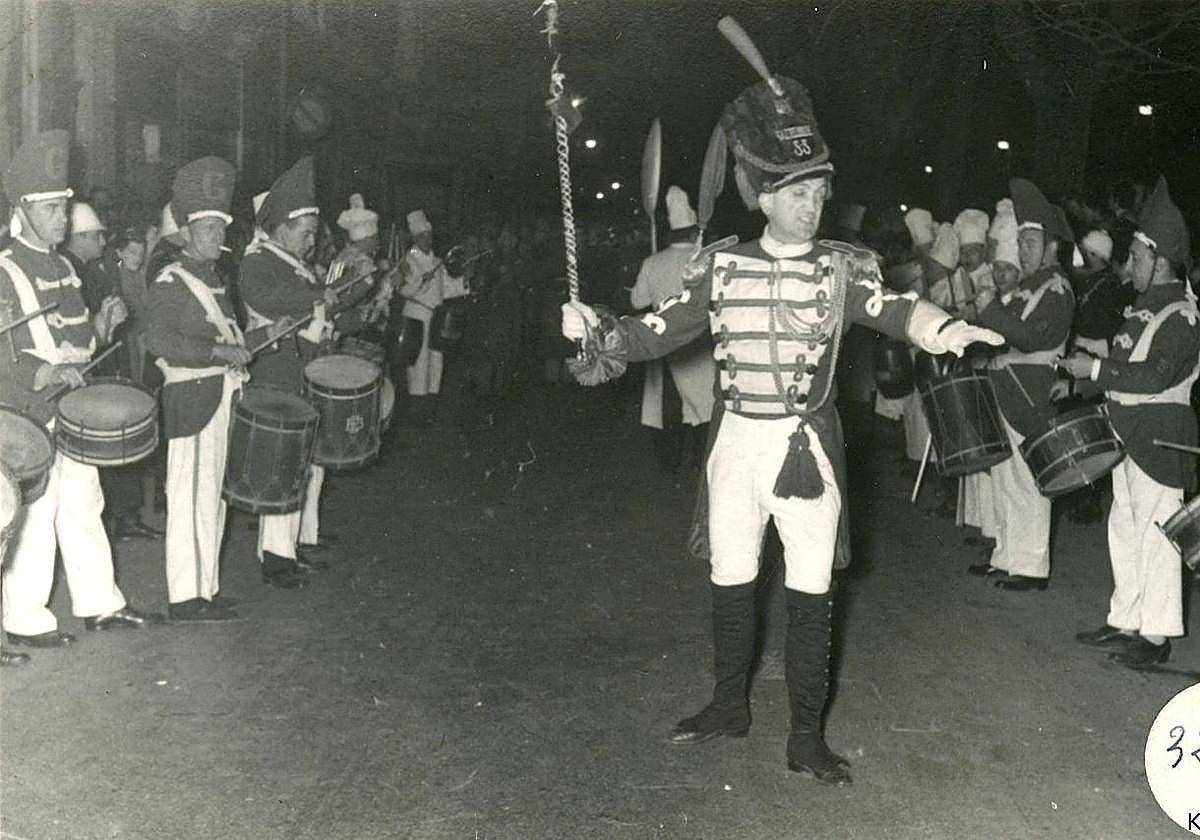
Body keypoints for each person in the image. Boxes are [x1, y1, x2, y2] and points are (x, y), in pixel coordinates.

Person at [560, 74, 1001, 785]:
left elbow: (894, 308)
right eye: (798, 193)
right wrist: (595, 330)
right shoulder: (720, 265)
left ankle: (805, 737)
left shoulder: (839, 268)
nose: (812, 205)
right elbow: (653, 332)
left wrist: (943, 328)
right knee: (730, 577)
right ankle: (728, 705)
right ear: (764, 196)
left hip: (807, 450)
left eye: (819, 193)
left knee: (809, 591)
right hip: (735, 444)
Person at [0, 130, 161, 648]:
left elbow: (75, 344)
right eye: (49, 208)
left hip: (72, 405)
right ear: (22, 210)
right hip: (28, 412)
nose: (61, 219)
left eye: (63, 208)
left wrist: (102, 328)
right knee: (36, 514)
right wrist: (40, 377)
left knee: (84, 504)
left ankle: (100, 604)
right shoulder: (4, 272)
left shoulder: (67, 267)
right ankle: (25, 617)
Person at [1057, 178, 1199, 667]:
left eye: (1137, 257)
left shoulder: (1180, 313)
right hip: (1128, 433)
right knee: (1124, 527)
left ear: (1160, 261)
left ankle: (1156, 637)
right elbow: (1124, 359)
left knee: (1158, 535)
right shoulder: (1142, 307)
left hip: (1159, 438)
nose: (1130, 264)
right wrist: (1088, 369)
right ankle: (1126, 618)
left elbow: (1156, 373)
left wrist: (1094, 369)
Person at [145, 157, 255, 622]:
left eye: (219, 229)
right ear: (186, 234)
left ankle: (205, 587)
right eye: (207, 229)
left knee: (213, 496)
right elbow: (158, 341)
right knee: (190, 497)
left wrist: (237, 352)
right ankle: (185, 597)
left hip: (220, 398)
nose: (217, 238)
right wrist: (217, 353)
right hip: (191, 400)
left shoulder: (216, 281)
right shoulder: (172, 280)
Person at [967, 178, 1075, 591]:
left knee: (1029, 483)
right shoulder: (1028, 286)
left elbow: (1034, 337)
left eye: (1031, 243)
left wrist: (990, 309)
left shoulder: (1056, 287)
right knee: (1007, 479)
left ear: (1051, 247)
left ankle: (1030, 566)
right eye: (1022, 242)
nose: (1024, 251)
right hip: (1008, 391)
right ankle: (1007, 556)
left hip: (1030, 392)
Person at [239, 156, 335, 588]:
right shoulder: (259, 261)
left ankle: (286, 548)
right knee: (282, 465)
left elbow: (311, 305)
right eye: (306, 231)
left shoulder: (291, 263)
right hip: (276, 375)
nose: (312, 240)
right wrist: (318, 295)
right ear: (281, 226)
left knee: (296, 465)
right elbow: (271, 298)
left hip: (299, 371)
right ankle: (277, 558)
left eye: (314, 232)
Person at [629, 187, 716, 471]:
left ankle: (669, 465)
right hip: (699, 342)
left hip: (662, 339)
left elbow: (637, 300)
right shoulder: (706, 260)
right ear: (695, 233)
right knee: (704, 406)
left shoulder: (653, 261)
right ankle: (699, 464)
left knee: (666, 407)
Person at [399, 209, 469, 422]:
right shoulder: (407, 260)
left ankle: (429, 410)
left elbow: (448, 288)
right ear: (414, 238)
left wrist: (466, 281)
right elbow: (405, 290)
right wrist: (423, 280)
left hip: (436, 319)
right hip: (416, 317)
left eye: (429, 235)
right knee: (418, 365)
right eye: (422, 236)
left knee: (436, 363)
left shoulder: (438, 261)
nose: (427, 239)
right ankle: (415, 413)